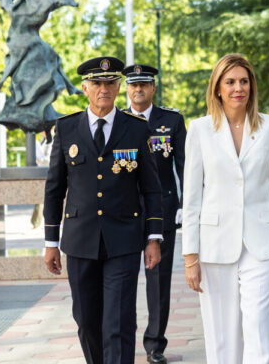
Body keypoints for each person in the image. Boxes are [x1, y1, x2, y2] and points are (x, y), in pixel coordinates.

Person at [43, 56, 163, 364]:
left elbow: (151, 187)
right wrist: (50, 243)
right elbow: (55, 190)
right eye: (97, 83)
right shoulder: (67, 128)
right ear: (84, 87)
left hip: (123, 239)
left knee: (118, 321)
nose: (104, 89)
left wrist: (153, 238)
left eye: (110, 83)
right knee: (87, 320)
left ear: (118, 87)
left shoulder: (136, 130)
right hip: (80, 241)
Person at [181, 53, 269, 364]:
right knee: (222, 336)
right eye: (230, 82)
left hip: (264, 242)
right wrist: (190, 255)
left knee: (260, 327)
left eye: (244, 81)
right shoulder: (200, 130)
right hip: (214, 245)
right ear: (217, 88)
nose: (238, 88)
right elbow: (191, 198)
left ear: (252, 86)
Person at [122, 64, 187, 364]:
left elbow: (185, 165)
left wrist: (187, 206)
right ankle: (121, 340)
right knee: (120, 280)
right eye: (133, 85)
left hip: (162, 212)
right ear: (127, 88)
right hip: (123, 214)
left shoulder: (171, 120)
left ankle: (154, 344)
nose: (138, 90)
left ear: (153, 88)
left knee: (158, 280)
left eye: (144, 85)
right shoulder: (118, 121)